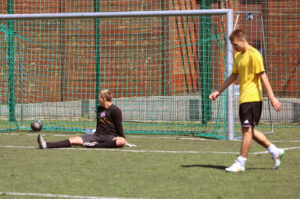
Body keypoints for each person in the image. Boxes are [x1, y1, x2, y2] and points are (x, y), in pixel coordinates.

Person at [209, 29, 284, 172]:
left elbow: (263, 76)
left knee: (246, 131)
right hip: (244, 99)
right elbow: (233, 76)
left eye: (236, 44)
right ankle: (275, 151)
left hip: (253, 99)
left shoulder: (254, 55)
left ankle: (240, 163)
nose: (234, 48)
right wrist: (218, 91)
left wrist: (272, 97)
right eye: (233, 45)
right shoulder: (238, 57)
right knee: (249, 130)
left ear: (243, 40)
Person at [37, 89, 127, 149]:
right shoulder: (100, 108)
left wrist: (121, 137)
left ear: (104, 98)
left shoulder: (116, 110)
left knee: (121, 141)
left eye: (99, 97)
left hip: (109, 137)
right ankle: (47, 145)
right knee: (73, 139)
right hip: (96, 136)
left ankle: (95, 146)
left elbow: (119, 126)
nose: (98, 99)